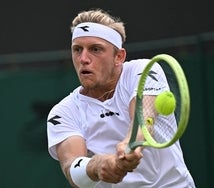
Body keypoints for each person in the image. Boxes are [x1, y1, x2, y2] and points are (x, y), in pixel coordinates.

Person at [47, 8, 196, 188]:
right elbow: (72, 168)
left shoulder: (144, 70)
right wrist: (98, 165)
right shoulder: (63, 112)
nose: (84, 58)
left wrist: (130, 144)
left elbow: (143, 118)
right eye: (77, 49)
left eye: (95, 49)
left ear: (119, 57)